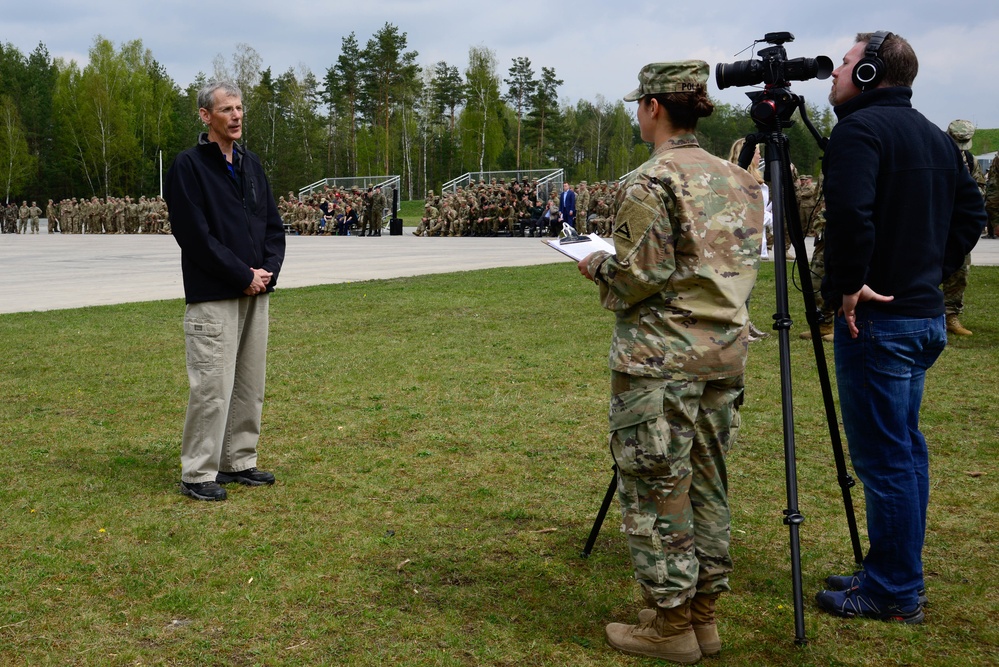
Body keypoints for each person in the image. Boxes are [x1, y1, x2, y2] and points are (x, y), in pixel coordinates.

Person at [577, 61, 764, 664]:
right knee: (708, 482)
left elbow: (640, 275)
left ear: (654, 107)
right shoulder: (739, 180)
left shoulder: (649, 181)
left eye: (639, 105)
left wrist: (596, 265)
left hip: (660, 362)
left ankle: (670, 624)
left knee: (660, 486)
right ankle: (702, 617)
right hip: (723, 356)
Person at [815, 32, 985, 623]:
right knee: (905, 454)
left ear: (868, 75)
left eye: (844, 62)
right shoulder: (937, 136)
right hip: (920, 316)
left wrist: (849, 281)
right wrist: (930, 273)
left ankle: (893, 590)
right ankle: (891, 570)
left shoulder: (859, 133)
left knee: (887, 459)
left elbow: (852, 216)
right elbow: (972, 213)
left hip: (880, 321)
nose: (834, 71)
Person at [165, 80, 286, 502]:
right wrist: (241, 274)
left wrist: (268, 270)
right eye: (227, 110)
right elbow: (194, 236)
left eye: (240, 109)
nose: (236, 116)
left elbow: (273, 225)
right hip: (215, 295)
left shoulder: (251, 165)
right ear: (206, 116)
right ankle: (198, 473)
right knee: (212, 387)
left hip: (256, 292)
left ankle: (238, 461)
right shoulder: (189, 166)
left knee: (250, 384)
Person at [940, 119, 985, 336]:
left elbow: (979, 188)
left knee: (959, 271)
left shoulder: (970, 160)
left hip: (956, 225)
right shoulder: (932, 152)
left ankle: (951, 315)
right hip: (933, 222)